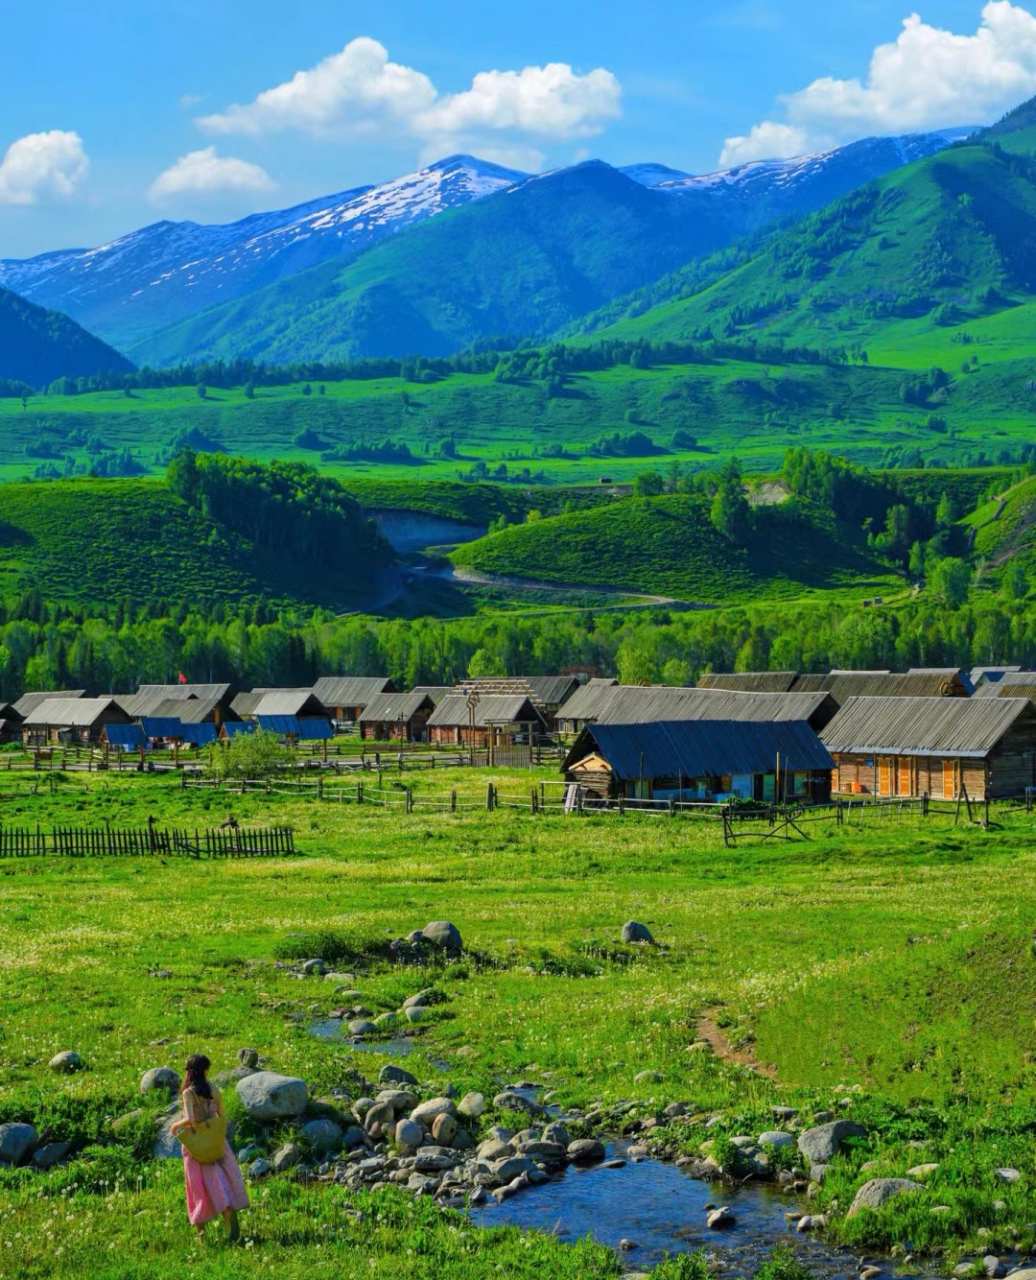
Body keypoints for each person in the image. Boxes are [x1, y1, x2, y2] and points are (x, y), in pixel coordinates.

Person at [171, 1054, 249, 1242]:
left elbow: (190, 1118)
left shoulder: (188, 1092)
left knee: (197, 1187)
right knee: (220, 1180)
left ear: (189, 1072)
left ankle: (201, 1235)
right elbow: (222, 1115)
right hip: (216, 1143)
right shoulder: (214, 1089)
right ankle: (228, 1215)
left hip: (196, 1145)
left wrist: (175, 1126)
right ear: (205, 1071)